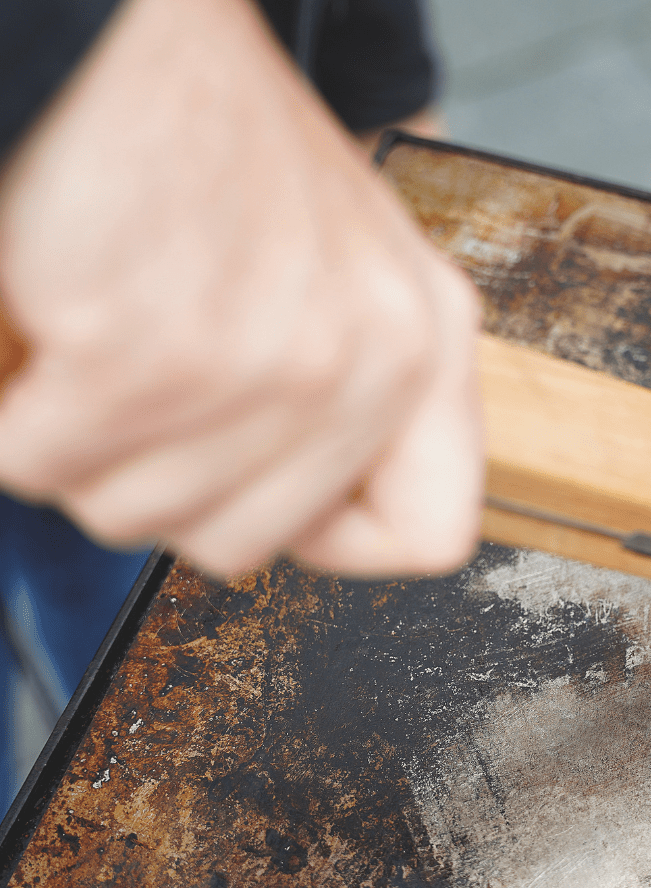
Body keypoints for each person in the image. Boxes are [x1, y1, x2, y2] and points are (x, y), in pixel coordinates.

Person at [0, 0, 484, 812]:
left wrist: (380, 84)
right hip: (105, 224)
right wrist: (87, 48)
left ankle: (132, 785)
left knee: (138, 630)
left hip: (159, 346)